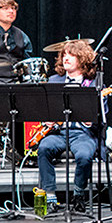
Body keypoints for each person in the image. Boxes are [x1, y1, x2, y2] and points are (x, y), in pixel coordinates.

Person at [34, 40, 104, 210]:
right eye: (64, 55)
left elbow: (102, 114)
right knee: (43, 149)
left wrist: (92, 119)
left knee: (85, 156)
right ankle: (50, 196)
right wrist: (47, 120)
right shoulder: (53, 80)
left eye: (71, 55)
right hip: (58, 133)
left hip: (82, 134)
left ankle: (79, 194)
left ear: (82, 58)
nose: (66, 58)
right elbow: (43, 110)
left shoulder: (93, 83)